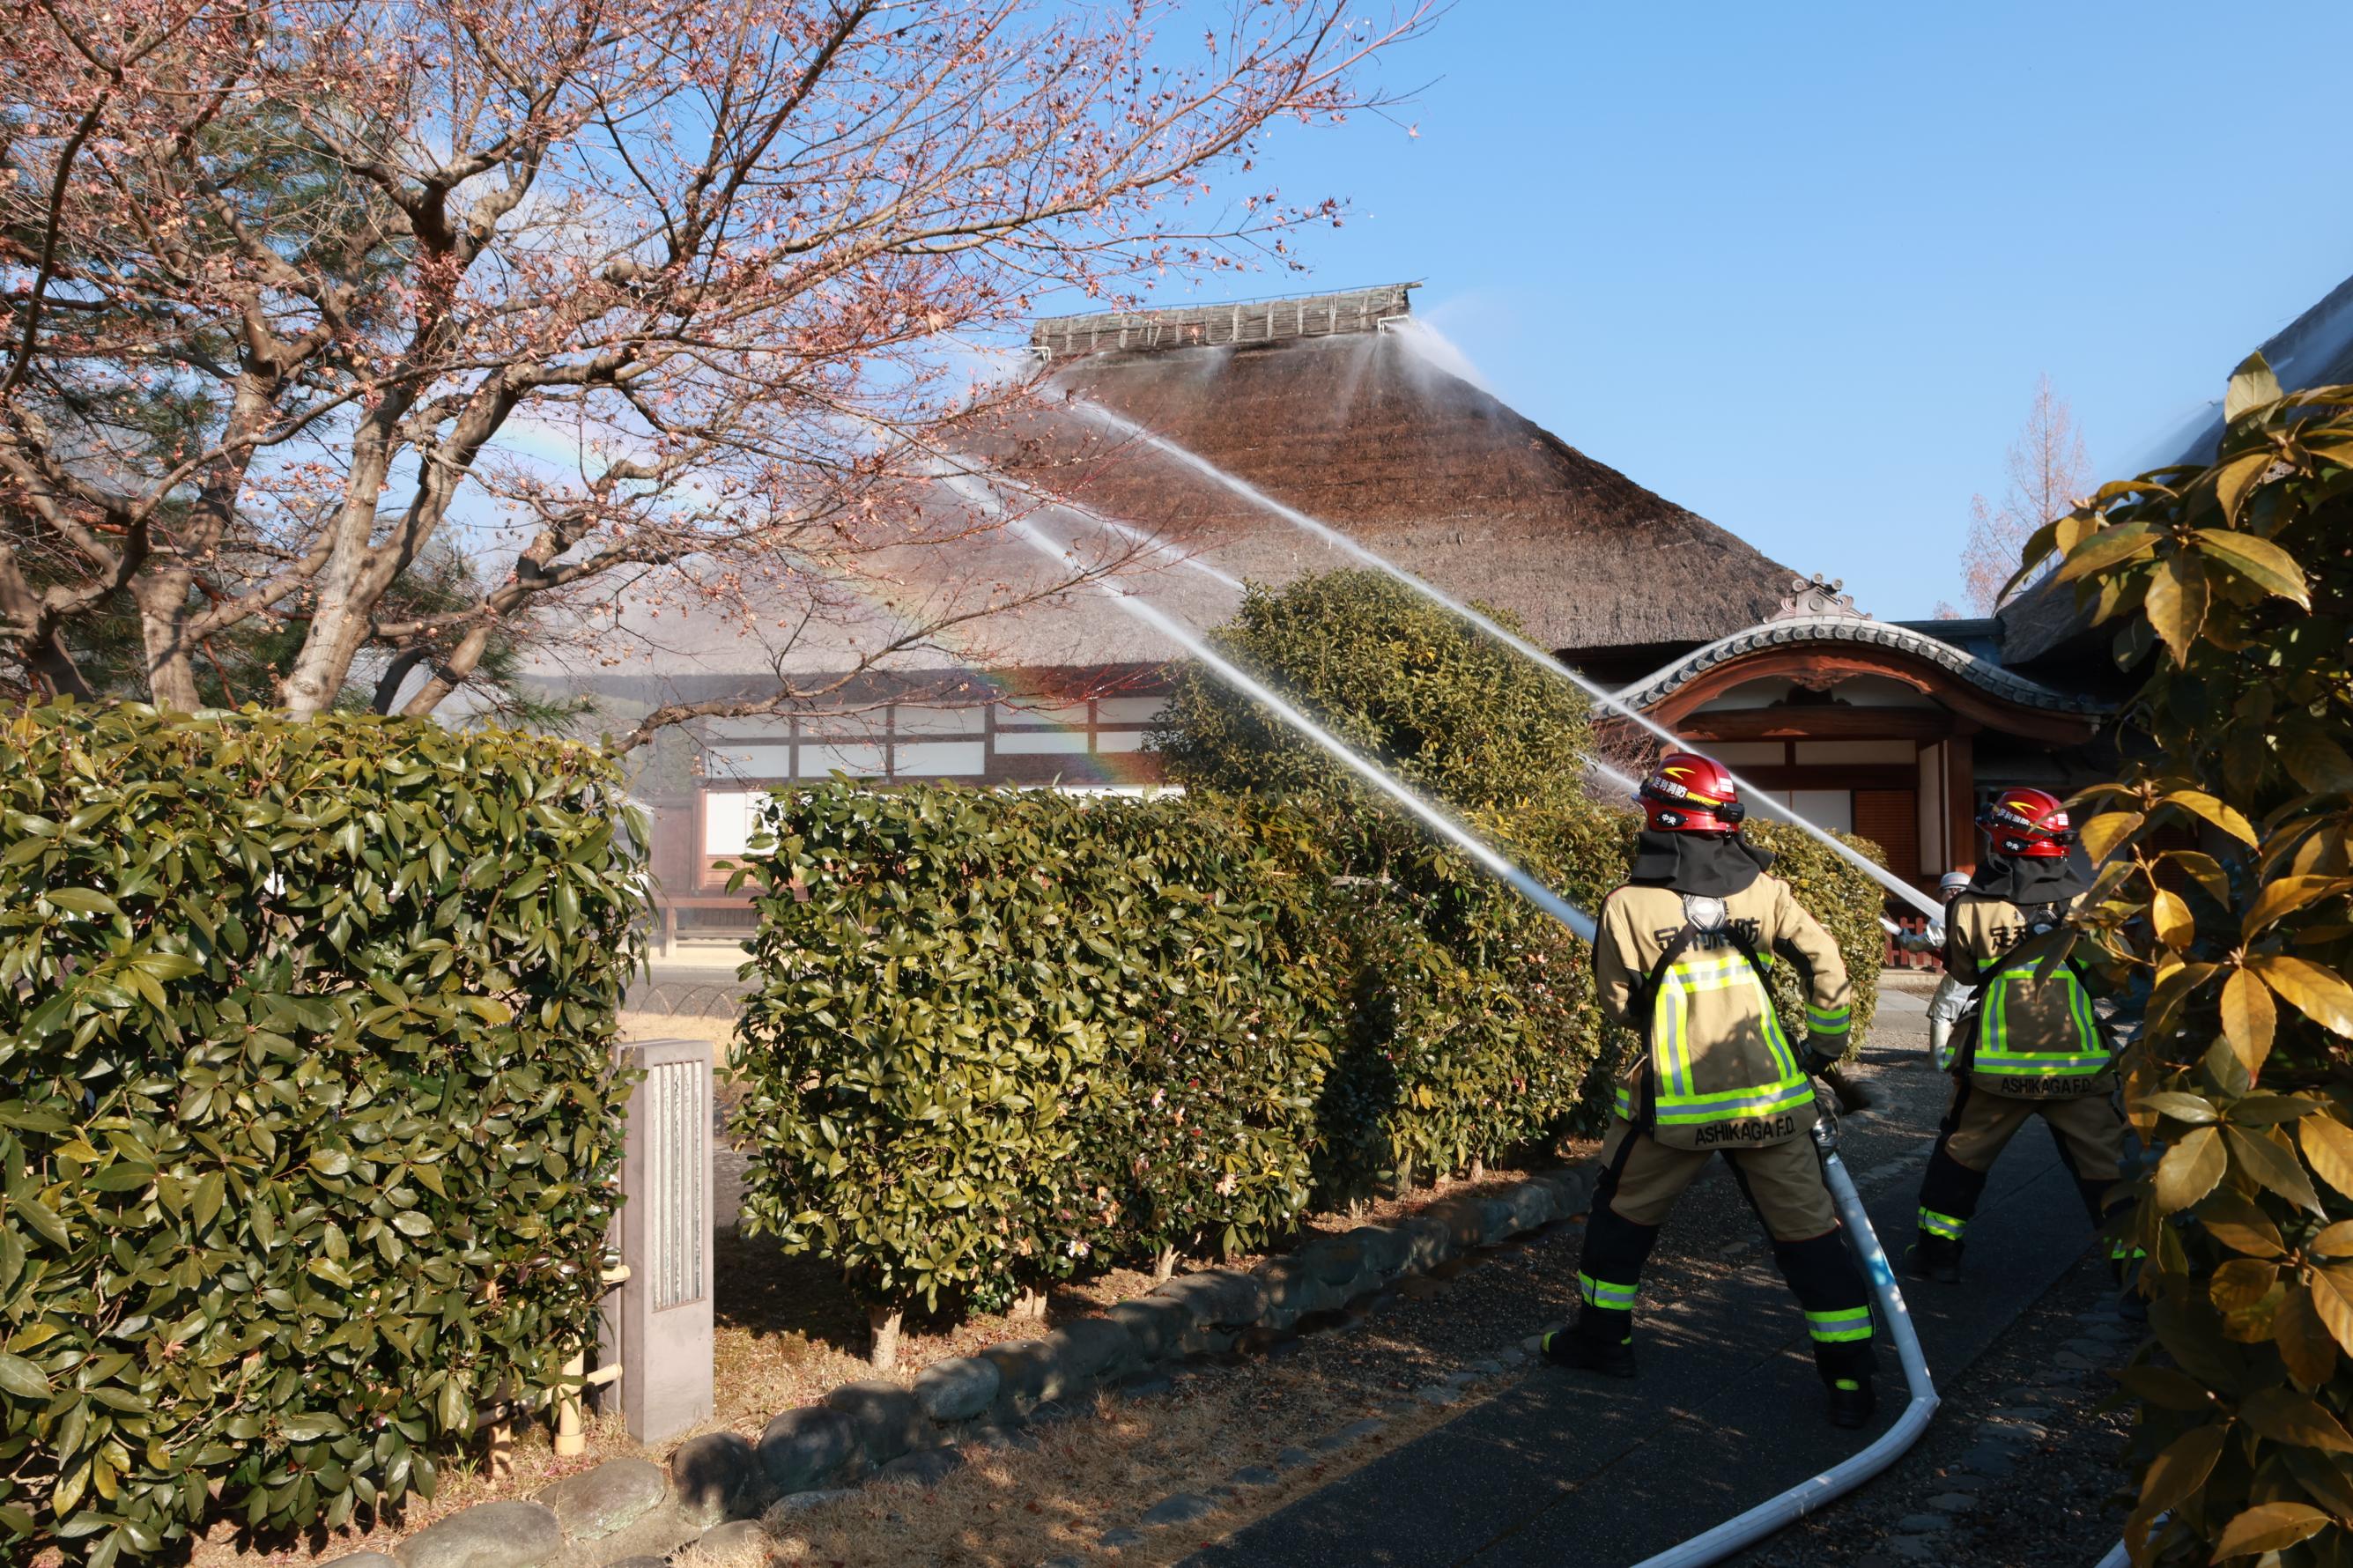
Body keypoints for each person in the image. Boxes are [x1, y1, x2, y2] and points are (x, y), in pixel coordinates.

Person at [1544, 753, 1877, 1429]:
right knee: (1810, 1239)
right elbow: (1826, 961)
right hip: (1773, 1107)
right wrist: (1825, 1047)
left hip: (1673, 1112)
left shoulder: (1629, 904)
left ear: (1659, 815)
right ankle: (1850, 1382)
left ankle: (1603, 1344)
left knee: (1620, 1218)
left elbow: (1617, 1003)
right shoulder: (1765, 892)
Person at [1909, 788, 2129, 1286]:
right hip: (2080, 1071)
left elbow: (1965, 975)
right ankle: (2134, 1269)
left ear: (2005, 841)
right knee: (2107, 1167)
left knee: (1960, 1158)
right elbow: (2111, 978)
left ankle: (1938, 1257)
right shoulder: (2088, 902)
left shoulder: (1968, 907)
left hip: (1995, 1073)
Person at [1891, 871, 1976, 1068]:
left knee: (1942, 1011)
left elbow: (1931, 940)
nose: (1941, 898)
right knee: (1973, 1012)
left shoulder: (1950, 910)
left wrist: (1905, 939)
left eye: (1943, 893)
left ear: (1953, 891)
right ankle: (1963, 1058)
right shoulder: (1979, 908)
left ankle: (1937, 1062)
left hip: (1961, 970)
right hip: (1985, 969)